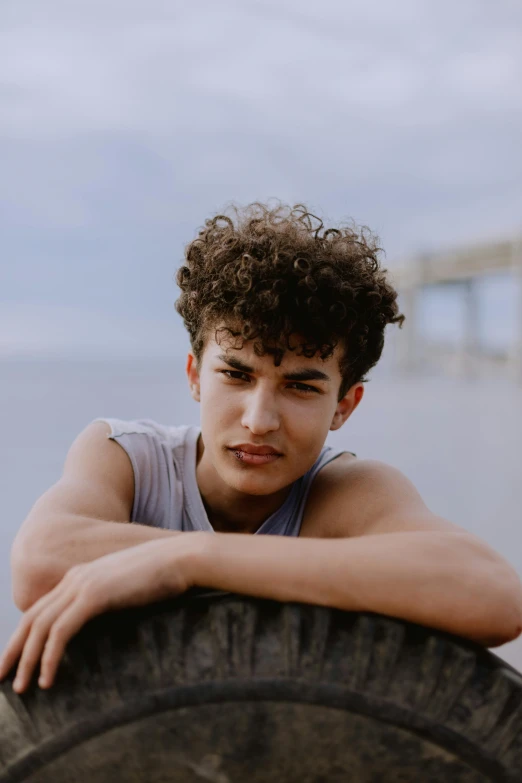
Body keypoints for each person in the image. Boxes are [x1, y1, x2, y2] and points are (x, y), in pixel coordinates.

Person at [2, 202, 521, 695]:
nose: (258, 420)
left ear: (344, 405)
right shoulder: (129, 459)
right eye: (235, 374)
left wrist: (190, 558)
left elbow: (493, 595)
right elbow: (39, 564)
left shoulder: (343, 491)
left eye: (301, 387)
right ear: (194, 376)